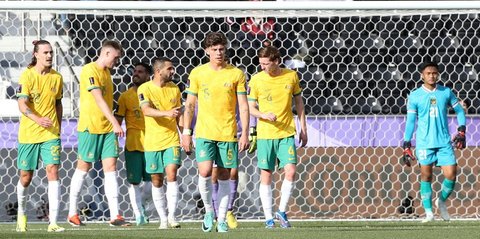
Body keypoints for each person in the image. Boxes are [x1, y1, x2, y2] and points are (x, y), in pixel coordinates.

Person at [181, 32, 250, 233]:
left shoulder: (236, 74)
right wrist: (186, 132)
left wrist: (244, 133)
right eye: (214, 50)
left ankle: (221, 219)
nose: (218, 53)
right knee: (204, 171)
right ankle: (209, 211)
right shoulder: (197, 73)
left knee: (224, 175)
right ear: (207, 51)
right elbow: (190, 104)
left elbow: (244, 106)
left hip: (228, 133)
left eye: (221, 49)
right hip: (204, 132)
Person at [67, 40, 131, 227]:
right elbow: (98, 99)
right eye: (116, 58)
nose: (117, 62)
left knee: (111, 169)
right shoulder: (89, 70)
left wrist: (111, 124)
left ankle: (115, 215)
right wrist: (115, 123)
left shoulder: (107, 74)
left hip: (107, 129)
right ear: (107, 54)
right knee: (83, 168)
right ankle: (72, 212)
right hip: (90, 127)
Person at [247, 46, 308, 229]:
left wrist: (303, 127)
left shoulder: (291, 76)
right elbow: (250, 107)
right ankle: (268, 218)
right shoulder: (256, 79)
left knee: (291, 171)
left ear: (276, 61)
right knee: (266, 174)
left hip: (287, 132)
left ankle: (281, 211)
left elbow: (299, 102)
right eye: (261, 64)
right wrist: (263, 115)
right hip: (266, 133)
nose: (263, 67)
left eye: (266, 64)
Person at [402, 62, 466, 223]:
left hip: (444, 142)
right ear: (422, 75)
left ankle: (441, 201)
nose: (432, 76)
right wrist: (406, 143)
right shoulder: (415, 95)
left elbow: (459, 111)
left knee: (451, 174)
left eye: (435, 73)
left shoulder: (446, 92)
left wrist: (462, 130)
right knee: (426, 176)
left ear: (438, 75)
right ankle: (429, 213)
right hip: (424, 142)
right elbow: (411, 121)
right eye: (428, 73)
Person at [15, 40, 65, 233]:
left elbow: (58, 104)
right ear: (36, 54)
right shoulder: (27, 76)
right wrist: (37, 119)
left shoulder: (57, 78)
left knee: (53, 170)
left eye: (51, 52)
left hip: (51, 134)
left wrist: (58, 126)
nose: (49, 56)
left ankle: (53, 222)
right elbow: (22, 105)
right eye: (45, 52)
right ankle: (21, 213)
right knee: (26, 177)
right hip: (29, 134)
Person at [138, 57, 182, 229]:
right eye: (170, 69)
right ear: (158, 71)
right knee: (157, 180)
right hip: (152, 142)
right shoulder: (144, 88)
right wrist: (166, 113)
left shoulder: (175, 89)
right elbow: (146, 110)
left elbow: (178, 114)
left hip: (171, 138)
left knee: (172, 173)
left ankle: (172, 216)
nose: (173, 71)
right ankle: (162, 218)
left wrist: (185, 134)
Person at [114, 62, 152, 226]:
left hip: (153, 143)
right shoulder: (125, 96)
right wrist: (114, 140)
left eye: (140, 72)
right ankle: (138, 214)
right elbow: (118, 120)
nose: (136, 74)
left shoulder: (153, 93)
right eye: (135, 71)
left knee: (152, 184)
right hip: (133, 144)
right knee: (134, 181)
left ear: (148, 76)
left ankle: (141, 203)